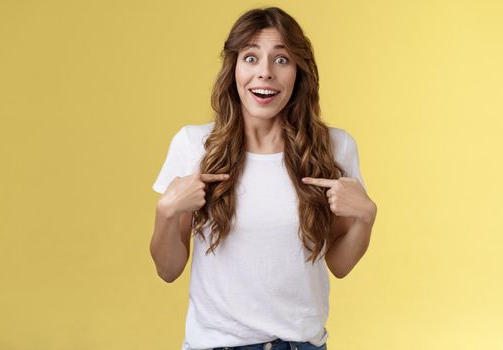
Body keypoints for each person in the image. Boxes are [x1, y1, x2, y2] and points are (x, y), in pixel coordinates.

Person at [149, 6, 377, 350]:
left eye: (281, 60)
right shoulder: (194, 145)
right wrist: (166, 212)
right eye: (251, 58)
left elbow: (339, 265)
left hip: (303, 345)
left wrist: (366, 217)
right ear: (234, 69)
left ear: (299, 72)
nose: (265, 73)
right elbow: (168, 270)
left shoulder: (334, 148)